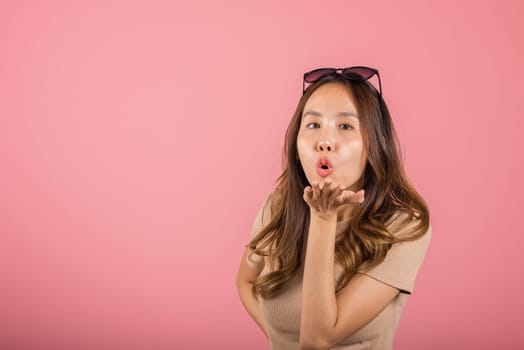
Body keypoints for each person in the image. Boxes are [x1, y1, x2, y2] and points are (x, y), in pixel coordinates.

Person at [236, 66, 432, 350]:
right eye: (314, 125)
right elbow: (245, 280)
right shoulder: (279, 205)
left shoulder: (403, 226)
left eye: (345, 126)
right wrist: (281, 339)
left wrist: (323, 218)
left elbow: (318, 340)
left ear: (373, 144)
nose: (325, 142)